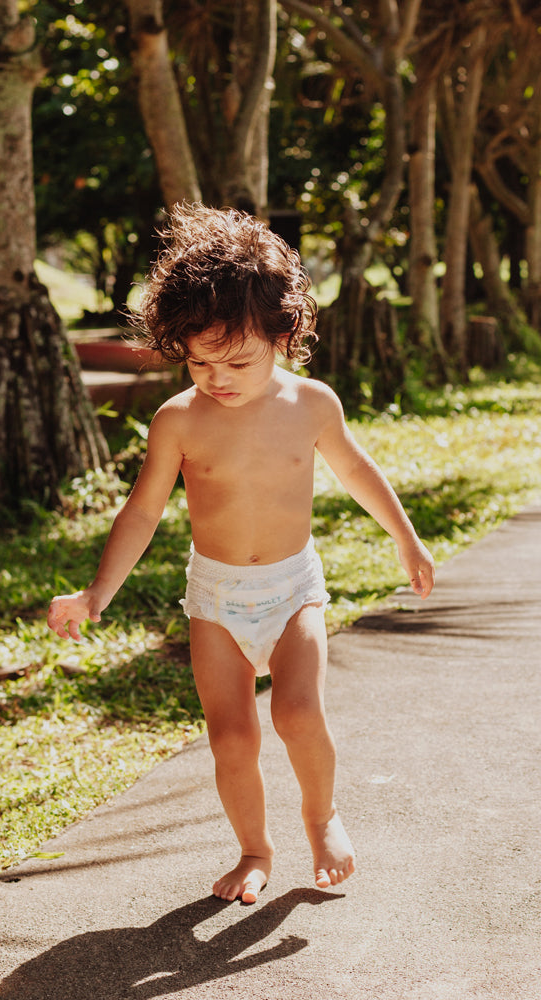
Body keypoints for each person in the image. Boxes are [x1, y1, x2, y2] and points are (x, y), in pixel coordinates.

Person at [47, 203, 435, 904]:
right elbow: (142, 510)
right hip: (215, 601)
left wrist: (405, 538)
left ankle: (322, 818)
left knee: (297, 714)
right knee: (230, 738)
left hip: (293, 590)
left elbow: (357, 472)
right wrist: (96, 593)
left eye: (236, 360)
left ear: (284, 337)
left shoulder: (313, 405)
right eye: (198, 361)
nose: (215, 377)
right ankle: (254, 850)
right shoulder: (178, 421)